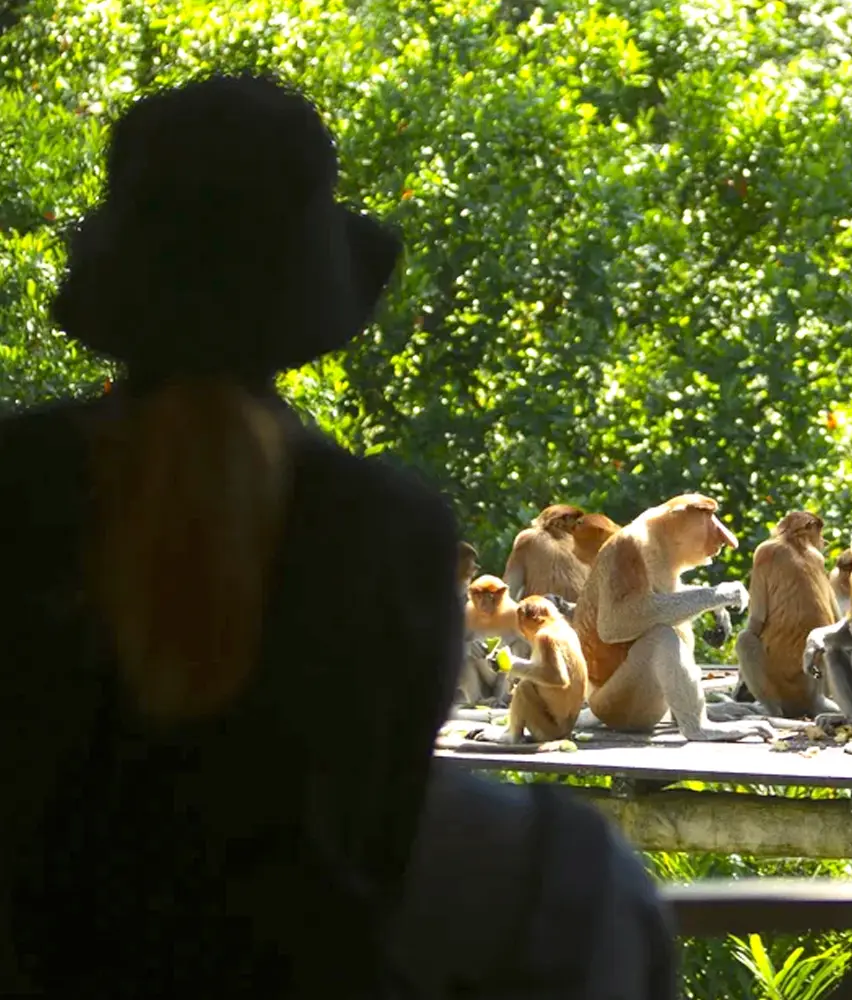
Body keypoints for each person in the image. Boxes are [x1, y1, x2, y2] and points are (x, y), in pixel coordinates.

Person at [0, 73, 675, 998]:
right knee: (589, 877)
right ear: (311, 286)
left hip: (45, 922)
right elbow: (383, 791)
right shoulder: (379, 521)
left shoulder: (21, 480)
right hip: (319, 942)